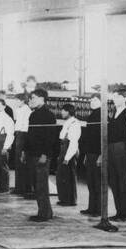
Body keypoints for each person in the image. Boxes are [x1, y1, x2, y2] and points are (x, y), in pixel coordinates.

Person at [24, 89, 58, 222]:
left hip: (42, 155)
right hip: (32, 154)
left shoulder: (48, 115)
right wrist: (24, 151)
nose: (31, 100)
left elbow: (50, 138)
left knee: (41, 185)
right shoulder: (33, 115)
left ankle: (45, 214)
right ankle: (43, 211)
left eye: (33, 98)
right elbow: (29, 135)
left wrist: (45, 154)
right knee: (36, 184)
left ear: (41, 98)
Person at [105, 96, 126, 221]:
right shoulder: (114, 113)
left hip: (122, 148)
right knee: (114, 180)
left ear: (125, 98)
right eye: (113, 97)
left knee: (123, 180)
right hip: (111, 147)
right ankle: (119, 211)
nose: (114, 99)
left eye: (117, 97)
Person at [79, 96, 103, 217]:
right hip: (90, 153)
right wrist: (86, 155)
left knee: (97, 182)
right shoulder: (93, 115)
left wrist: (101, 155)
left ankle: (98, 210)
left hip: (97, 154)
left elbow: (103, 139)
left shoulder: (102, 116)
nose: (91, 102)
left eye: (95, 100)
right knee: (91, 182)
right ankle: (92, 207)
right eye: (91, 100)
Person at [55, 101, 81, 206]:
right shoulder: (67, 122)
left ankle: (70, 200)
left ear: (68, 112)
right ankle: (64, 198)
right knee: (62, 176)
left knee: (69, 176)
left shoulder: (74, 123)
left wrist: (67, 157)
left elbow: (73, 142)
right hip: (63, 148)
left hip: (69, 150)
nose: (61, 112)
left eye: (63, 111)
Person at [10, 93, 33, 197]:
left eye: (17, 100)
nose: (16, 102)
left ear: (23, 101)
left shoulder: (26, 110)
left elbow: (25, 126)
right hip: (18, 134)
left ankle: (23, 188)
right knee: (17, 162)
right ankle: (18, 187)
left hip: (23, 134)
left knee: (21, 162)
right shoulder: (19, 110)